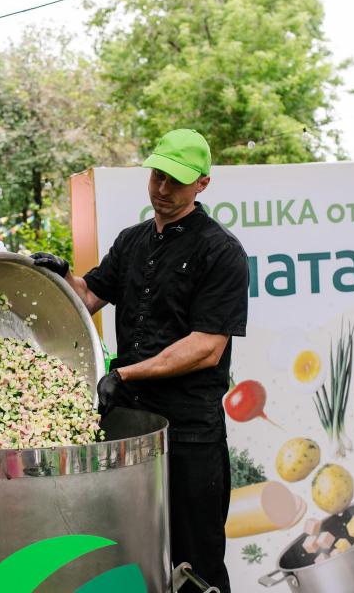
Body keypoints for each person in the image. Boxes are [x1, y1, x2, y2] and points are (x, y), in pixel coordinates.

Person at [31, 129, 248, 593]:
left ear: (202, 184)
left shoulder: (221, 251)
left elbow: (207, 347)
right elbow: (89, 296)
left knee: (196, 562)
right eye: (157, 177)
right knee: (130, 553)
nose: (162, 189)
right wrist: (61, 276)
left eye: (175, 181)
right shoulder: (132, 242)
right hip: (131, 426)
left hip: (190, 433)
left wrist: (125, 373)